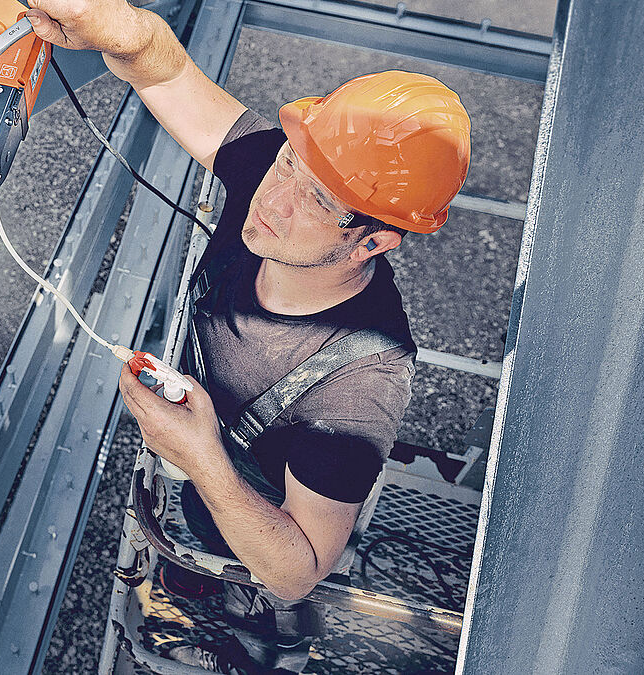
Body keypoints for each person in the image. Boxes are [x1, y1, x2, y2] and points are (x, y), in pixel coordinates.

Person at [25, 1, 471, 672]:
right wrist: (126, 29)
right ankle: (204, 590)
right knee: (200, 545)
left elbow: (297, 569)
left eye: (320, 199)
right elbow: (170, 77)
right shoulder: (274, 181)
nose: (275, 196)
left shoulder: (359, 385)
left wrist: (201, 457)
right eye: (291, 159)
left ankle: (252, 635)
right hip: (213, 468)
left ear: (373, 241)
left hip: (260, 520)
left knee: (258, 590)